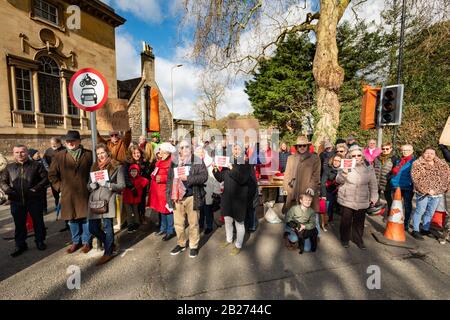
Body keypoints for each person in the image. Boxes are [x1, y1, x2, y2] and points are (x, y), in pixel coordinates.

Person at [48, 130, 93, 254]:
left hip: (85, 192)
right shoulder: (59, 156)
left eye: (73, 140)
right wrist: (60, 187)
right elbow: (52, 175)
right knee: (72, 219)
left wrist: (92, 185)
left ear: (79, 141)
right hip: (68, 194)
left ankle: (86, 242)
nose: (70, 143)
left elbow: (94, 172)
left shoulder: (88, 154)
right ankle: (75, 241)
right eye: (68, 141)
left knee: (85, 219)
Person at [0, 145, 48, 257]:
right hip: (16, 200)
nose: (20, 154)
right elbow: (2, 181)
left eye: (22, 152)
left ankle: (40, 241)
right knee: (19, 224)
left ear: (27, 153)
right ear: (13, 153)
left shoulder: (37, 165)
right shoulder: (9, 167)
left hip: (34, 199)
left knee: (38, 222)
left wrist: (35, 189)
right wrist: (8, 190)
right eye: (17, 152)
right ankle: (20, 245)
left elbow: (45, 179)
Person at [167, 140, 208, 258]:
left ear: (191, 148)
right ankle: (181, 244)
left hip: (192, 196)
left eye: (187, 147)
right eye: (182, 147)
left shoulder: (197, 160)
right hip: (177, 197)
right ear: (179, 149)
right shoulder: (174, 162)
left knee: (193, 223)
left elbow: (204, 176)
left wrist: (188, 178)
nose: (184, 149)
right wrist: (169, 195)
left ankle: (194, 245)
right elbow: (169, 179)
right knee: (178, 224)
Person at [87, 144, 125, 265]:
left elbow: (122, 185)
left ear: (108, 152)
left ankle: (108, 252)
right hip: (94, 200)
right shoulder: (94, 166)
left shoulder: (117, 166)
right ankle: (111, 244)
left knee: (108, 227)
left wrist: (108, 184)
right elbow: (88, 185)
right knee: (92, 228)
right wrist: (91, 186)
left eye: (102, 153)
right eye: (98, 154)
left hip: (108, 199)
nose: (100, 156)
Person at [213, 143, 254, 255]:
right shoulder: (228, 162)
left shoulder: (245, 163)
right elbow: (221, 178)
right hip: (227, 197)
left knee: (239, 223)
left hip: (239, 199)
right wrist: (215, 170)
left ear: (242, 151)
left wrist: (231, 168)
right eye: (234, 149)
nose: (236, 151)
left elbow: (242, 179)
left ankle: (238, 245)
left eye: (238, 149)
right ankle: (229, 239)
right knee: (227, 221)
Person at [336, 146, 378, 249]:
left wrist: (374, 196)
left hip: (362, 197)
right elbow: (338, 180)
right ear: (350, 156)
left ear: (362, 155)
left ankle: (358, 239)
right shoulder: (346, 164)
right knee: (346, 220)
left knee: (359, 221)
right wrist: (344, 174)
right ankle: (344, 239)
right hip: (347, 196)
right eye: (353, 155)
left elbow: (373, 183)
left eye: (358, 155)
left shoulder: (368, 166)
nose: (356, 157)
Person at [410, 147, 450, 240]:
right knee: (420, 211)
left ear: (435, 155)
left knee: (430, 212)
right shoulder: (417, 163)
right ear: (423, 153)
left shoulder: (442, 164)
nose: (429, 155)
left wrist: (441, 189)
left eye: (432, 153)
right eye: (427, 153)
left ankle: (425, 228)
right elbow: (416, 178)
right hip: (423, 193)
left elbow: (446, 177)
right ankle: (415, 230)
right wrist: (427, 189)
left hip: (437, 193)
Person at [283, 135, 321, 215]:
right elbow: (287, 174)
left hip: (307, 191)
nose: (302, 147)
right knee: (292, 217)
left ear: (307, 146)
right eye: (300, 146)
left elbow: (316, 176)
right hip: (293, 191)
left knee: (309, 218)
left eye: (304, 145)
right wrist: (286, 188)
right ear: (297, 147)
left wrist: (311, 187)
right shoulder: (291, 158)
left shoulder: (314, 158)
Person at [150, 142, 176, 240]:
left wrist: (162, 178)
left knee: (168, 211)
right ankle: (163, 228)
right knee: (161, 210)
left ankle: (170, 230)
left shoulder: (172, 162)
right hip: (158, 191)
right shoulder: (160, 161)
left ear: (166, 152)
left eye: (160, 150)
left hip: (166, 190)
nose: (159, 152)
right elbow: (155, 172)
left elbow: (173, 176)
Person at [124, 144, 155, 224]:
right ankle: (132, 218)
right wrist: (130, 185)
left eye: (138, 153)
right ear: (131, 154)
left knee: (142, 202)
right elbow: (125, 175)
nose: (136, 155)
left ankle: (142, 216)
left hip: (142, 186)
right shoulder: (128, 163)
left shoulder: (144, 162)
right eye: (134, 153)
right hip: (131, 187)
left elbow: (148, 175)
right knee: (132, 204)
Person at [390, 144, 415, 231]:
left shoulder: (414, 161)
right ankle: (396, 221)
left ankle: (406, 224)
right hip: (396, 186)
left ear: (412, 151)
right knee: (396, 206)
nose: (405, 152)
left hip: (407, 187)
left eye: (407, 150)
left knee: (407, 205)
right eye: (403, 150)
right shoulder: (399, 160)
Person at [197, 146, 221, 235]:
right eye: (198, 153)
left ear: (204, 153)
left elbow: (215, 178)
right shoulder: (196, 163)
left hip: (209, 188)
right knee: (200, 208)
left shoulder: (210, 163)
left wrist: (216, 191)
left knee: (208, 208)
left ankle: (209, 226)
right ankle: (201, 223)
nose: (200, 154)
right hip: (199, 189)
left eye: (201, 152)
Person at [43, 137, 66, 226]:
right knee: (56, 195)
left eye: (55, 144)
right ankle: (58, 209)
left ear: (59, 143)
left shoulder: (64, 150)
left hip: (63, 177)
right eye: (51, 144)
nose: (53, 146)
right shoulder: (48, 151)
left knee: (65, 196)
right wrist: (50, 171)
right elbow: (44, 162)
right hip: (54, 178)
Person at [123, 164, 148, 233]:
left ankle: (137, 223)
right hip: (127, 199)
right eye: (132, 171)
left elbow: (146, 181)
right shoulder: (128, 180)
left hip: (135, 199)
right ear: (129, 172)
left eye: (135, 171)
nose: (133, 173)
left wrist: (140, 186)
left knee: (136, 211)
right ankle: (130, 225)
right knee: (129, 213)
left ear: (138, 172)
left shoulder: (140, 178)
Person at [320, 154, 342, 224]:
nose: (336, 162)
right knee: (329, 206)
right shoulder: (327, 169)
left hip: (341, 192)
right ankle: (327, 219)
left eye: (339, 161)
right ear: (332, 161)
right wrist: (323, 195)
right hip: (330, 190)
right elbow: (323, 183)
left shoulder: (344, 170)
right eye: (335, 160)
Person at [373, 142, 395, 210]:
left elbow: (395, 170)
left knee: (388, 198)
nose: (385, 150)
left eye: (387, 149)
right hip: (377, 181)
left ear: (391, 149)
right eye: (383, 149)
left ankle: (390, 212)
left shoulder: (393, 158)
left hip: (387, 181)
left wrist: (390, 177)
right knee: (376, 197)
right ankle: (376, 210)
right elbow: (373, 167)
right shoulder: (377, 158)